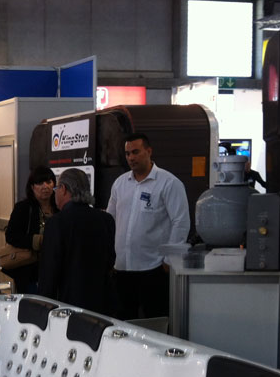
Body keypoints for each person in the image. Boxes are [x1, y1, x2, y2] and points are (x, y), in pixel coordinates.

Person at [107, 133, 190, 320]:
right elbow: (110, 220)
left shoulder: (169, 183)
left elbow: (181, 222)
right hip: (122, 268)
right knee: (123, 324)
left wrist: (169, 260)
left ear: (149, 151)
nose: (131, 157)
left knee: (155, 321)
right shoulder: (120, 184)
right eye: (127, 153)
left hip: (154, 268)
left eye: (135, 152)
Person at [38, 168, 116, 314]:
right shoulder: (106, 220)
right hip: (102, 306)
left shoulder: (57, 223)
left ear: (63, 189)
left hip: (68, 307)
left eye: (56, 188)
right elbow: (110, 261)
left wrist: (43, 310)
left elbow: (49, 273)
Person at [3, 166, 59, 294]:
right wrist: (37, 240)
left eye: (49, 182)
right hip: (29, 270)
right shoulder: (23, 208)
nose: (45, 186)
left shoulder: (59, 207)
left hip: (55, 270)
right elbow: (11, 236)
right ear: (32, 187)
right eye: (40, 183)